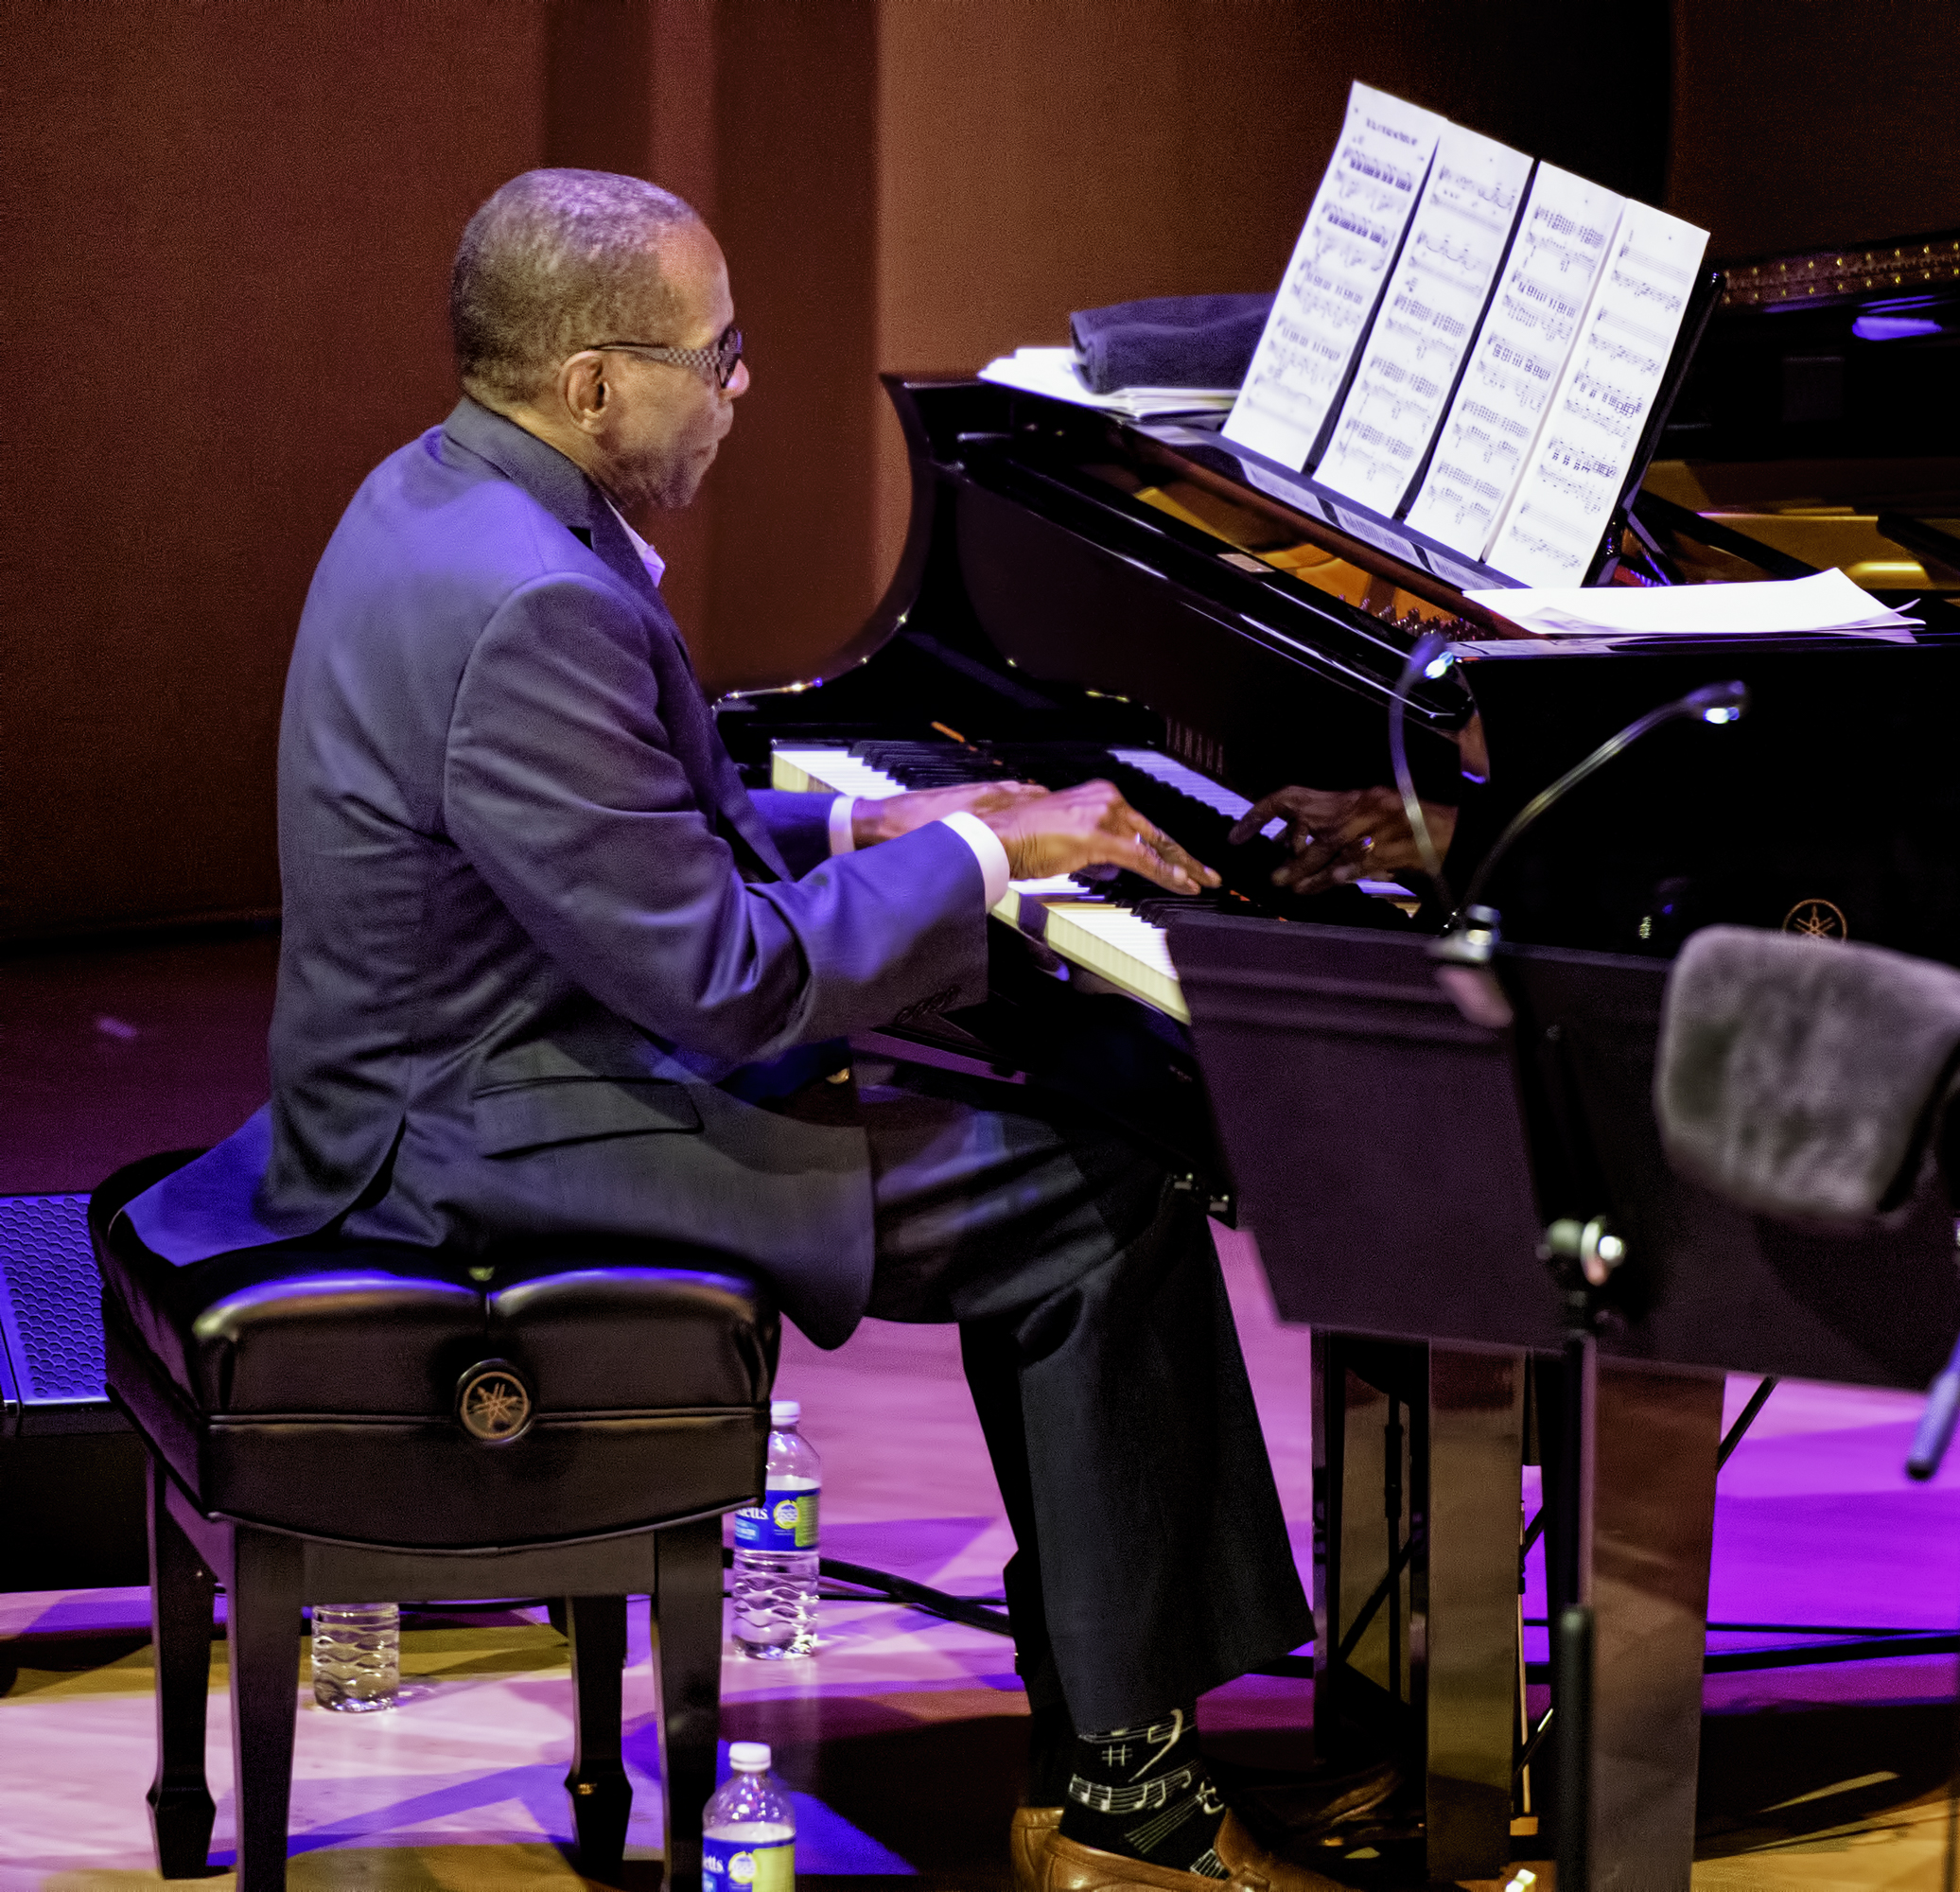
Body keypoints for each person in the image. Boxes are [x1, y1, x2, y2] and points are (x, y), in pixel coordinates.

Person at [122, 169, 1394, 1888]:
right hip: (480, 1138)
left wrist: (871, 831)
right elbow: (726, 983)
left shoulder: (442, 499)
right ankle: (1126, 1809)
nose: (741, 388)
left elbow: (625, 829)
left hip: (488, 1062)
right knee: (1094, 1203)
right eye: (714, 357)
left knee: (1078, 1119)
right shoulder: (531, 601)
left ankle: (1118, 1732)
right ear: (591, 385)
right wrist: (967, 853)